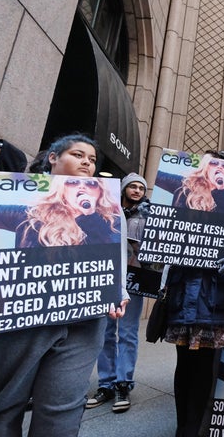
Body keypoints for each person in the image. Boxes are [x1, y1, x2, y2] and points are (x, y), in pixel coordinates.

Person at [0, 133, 129, 437]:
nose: (86, 163)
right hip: (11, 322)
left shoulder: (108, 210)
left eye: (91, 159)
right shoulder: (6, 195)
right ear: (52, 157)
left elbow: (116, 259)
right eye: (78, 155)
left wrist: (119, 293)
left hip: (82, 325)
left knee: (61, 415)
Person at [162, 150, 224, 437]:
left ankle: (192, 430)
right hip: (183, 292)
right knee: (184, 365)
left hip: (215, 297)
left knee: (204, 367)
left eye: (223, 168)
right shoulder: (181, 198)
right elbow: (163, 236)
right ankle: (184, 428)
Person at [88, 173, 151, 412]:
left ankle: (123, 383)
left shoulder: (150, 214)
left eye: (140, 188)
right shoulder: (106, 209)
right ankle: (105, 384)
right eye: (132, 186)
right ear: (123, 188)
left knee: (127, 332)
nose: (136, 190)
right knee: (105, 331)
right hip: (106, 276)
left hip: (134, 278)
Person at [0, 175, 121, 247]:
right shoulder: (33, 216)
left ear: (100, 192)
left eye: (91, 183)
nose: (82, 187)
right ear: (62, 188)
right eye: (73, 182)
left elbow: (112, 260)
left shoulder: (112, 224)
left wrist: (90, 216)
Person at [156, 151, 224, 215]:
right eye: (214, 163)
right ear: (206, 167)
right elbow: (157, 176)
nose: (220, 167)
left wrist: (221, 190)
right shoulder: (186, 184)